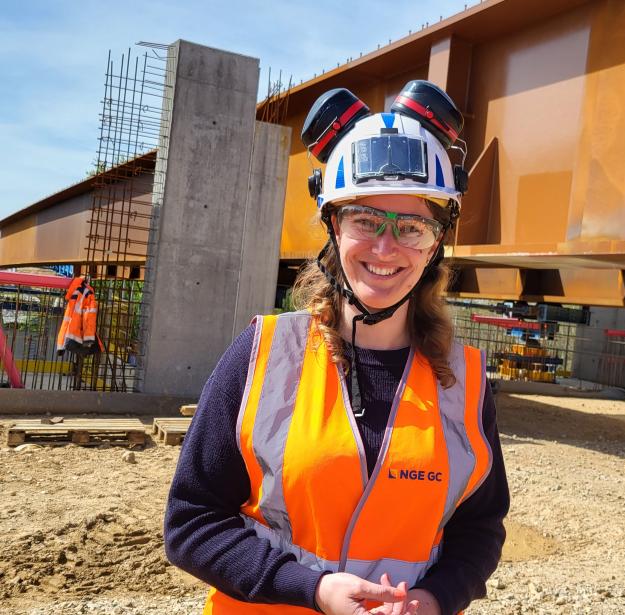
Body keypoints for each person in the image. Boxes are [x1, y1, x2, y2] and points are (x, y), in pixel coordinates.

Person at [164, 81, 509, 615]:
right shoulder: (264, 354)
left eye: (412, 226)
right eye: (365, 220)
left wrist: (434, 599)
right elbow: (192, 521)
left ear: (436, 242)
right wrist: (312, 588)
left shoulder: (462, 381)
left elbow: (479, 527)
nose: (386, 247)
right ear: (332, 226)